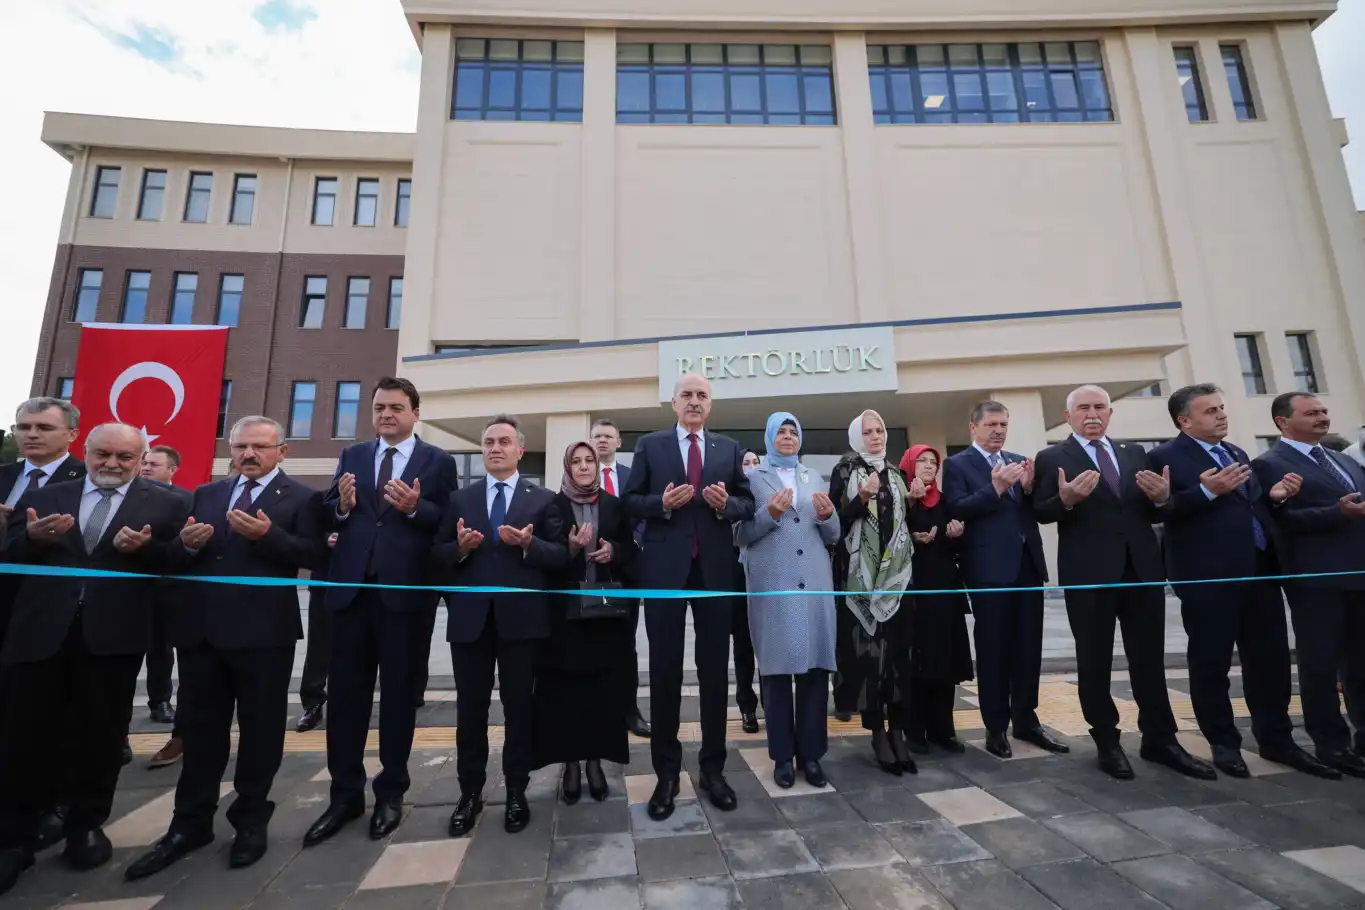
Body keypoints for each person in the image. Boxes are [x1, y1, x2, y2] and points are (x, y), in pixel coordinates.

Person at [124, 417, 326, 880]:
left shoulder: (302, 498)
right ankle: (189, 824)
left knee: (260, 733)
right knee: (200, 733)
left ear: (282, 452)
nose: (248, 454)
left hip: (264, 636)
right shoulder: (207, 494)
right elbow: (176, 558)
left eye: (259, 446)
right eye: (240, 447)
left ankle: (251, 820)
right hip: (202, 635)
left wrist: (267, 537)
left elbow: (317, 556)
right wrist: (184, 546)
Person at [0, 423, 190, 896]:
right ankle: (15, 837)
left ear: (140, 459)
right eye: (103, 454)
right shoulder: (47, 496)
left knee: (101, 736)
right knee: (24, 736)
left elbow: (178, 565)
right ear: (85, 451)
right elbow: (10, 556)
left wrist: (148, 549)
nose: (112, 464)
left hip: (114, 639)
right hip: (40, 634)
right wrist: (32, 539)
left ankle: (85, 824)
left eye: (125, 457)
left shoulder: (169, 504)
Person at [1148, 386, 1335, 779]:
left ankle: (1277, 739)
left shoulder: (1235, 452)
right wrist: (1206, 491)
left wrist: (1277, 497)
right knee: (1211, 663)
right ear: (1185, 421)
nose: (1221, 414)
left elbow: (1250, 507)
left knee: (1270, 661)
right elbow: (1165, 511)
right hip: (1208, 577)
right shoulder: (1164, 457)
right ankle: (1224, 742)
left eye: (1221, 407)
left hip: (1259, 572)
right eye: (1210, 410)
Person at [304, 377, 459, 847]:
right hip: (351, 595)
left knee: (397, 699)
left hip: (404, 598)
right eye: (379, 408)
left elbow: (447, 522)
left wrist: (414, 508)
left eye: (395, 407)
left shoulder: (438, 461)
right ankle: (344, 795)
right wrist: (342, 505)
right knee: (345, 699)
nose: (386, 414)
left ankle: (391, 792)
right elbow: (330, 511)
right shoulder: (352, 455)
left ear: (415, 413)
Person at [1033, 385, 1214, 781]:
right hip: (1088, 574)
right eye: (1083, 407)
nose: (1092, 414)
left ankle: (1160, 739)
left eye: (1100, 406)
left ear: (1110, 413)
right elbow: (1041, 512)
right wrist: (1066, 500)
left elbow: (1152, 510)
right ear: (1068, 416)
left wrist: (1163, 498)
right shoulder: (1052, 458)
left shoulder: (1134, 453)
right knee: (1094, 660)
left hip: (1141, 570)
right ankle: (1107, 740)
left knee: (1149, 659)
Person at [621, 372, 755, 821]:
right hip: (664, 570)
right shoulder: (650, 445)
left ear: (710, 404)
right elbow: (629, 501)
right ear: (673, 403)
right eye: (687, 395)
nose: (694, 401)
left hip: (715, 570)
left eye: (702, 395)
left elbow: (747, 503)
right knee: (664, 672)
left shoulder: (727, 449)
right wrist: (661, 504)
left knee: (715, 672)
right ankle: (666, 774)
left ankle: (713, 770)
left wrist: (724, 505)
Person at [434, 415, 568, 836]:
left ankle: (515, 791)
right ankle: (469, 793)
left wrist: (529, 544)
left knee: (519, 709)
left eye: (504, 441)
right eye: (489, 441)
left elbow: (561, 556)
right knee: (470, 711)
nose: (495, 448)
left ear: (519, 450)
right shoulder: (460, 499)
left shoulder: (543, 499)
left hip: (522, 623)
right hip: (470, 623)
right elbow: (435, 555)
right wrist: (459, 548)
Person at [1251, 392, 1365, 777]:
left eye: (1323, 411)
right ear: (1283, 422)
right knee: (1320, 665)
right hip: (1315, 579)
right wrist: (1337, 512)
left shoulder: (1343, 460)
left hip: (1358, 574)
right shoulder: (1269, 465)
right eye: (1311, 413)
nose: (1322, 417)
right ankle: (1332, 745)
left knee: (1360, 663)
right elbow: (1279, 521)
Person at [942, 402, 1063, 760]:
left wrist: (1029, 488)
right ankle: (995, 726)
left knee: (1028, 647)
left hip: (1027, 566)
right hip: (988, 570)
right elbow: (956, 508)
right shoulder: (958, 464)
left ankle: (1026, 720)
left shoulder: (1018, 460)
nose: (998, 430)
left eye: (1003, 424)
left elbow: (1034, 512)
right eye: (991, 424)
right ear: (973, 427)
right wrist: (994, 488)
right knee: (994, 648)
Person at [0, 398, 87, 849]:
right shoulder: (5, 477)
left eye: (44, 428)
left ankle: (51, 802)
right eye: (24, 426)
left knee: (50, 716)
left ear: (72, 434)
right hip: (7, 611)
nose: (31, 434)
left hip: (52, 617)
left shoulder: (88, 480)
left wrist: (30, 538)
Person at [735, 414, 839, 789]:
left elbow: (833, 534)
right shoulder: (752, 479)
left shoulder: (813, 478)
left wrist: (829, 517)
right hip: (773, 585)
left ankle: (811, 755)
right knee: (777, 673)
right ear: (768, 437)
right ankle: (782, 756)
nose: (788, 437)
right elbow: (739, 534)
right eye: (781, 431)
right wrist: (771, 513)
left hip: (814, 584)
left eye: (794, 431)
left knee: (814, 673)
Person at [532, 441, 638, 804]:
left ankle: (595, 763)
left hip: (604, 615)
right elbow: (543, 557)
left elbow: (631, 549)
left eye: (588, 460)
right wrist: (572, 549)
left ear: (597, 465)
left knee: (601, 692)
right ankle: (572, 766)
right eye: (575, 461)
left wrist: (614, 551)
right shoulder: (552, 506)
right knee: (567, 694)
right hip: (564, 619)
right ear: (567, 468)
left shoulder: (614, 505)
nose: (583, 466)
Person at [829, 409, 916, 775]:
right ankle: (877, 732)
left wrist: (916, 505)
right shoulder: (845, 471)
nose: (876, 436)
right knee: (869, 658)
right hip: (860, 579)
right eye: (868, 432)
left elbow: (904, 523)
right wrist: (861, 498)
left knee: (898, 657)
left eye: (879, 430)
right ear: (856, 437)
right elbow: (833, 521)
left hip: (898, 579)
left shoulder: (897, 475)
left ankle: (898, 731)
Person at [900, 445, 973, 755]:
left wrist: (957, 536)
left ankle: (943, 730)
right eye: (922, 461)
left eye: (933, 462)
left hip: (945, 589)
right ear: (909, 466)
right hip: (913, 591)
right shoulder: (901, 499)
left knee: (945, 660)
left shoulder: (946, 502)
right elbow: (887, 536)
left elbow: (960, 547)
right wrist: (912, 535)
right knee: (917, 661)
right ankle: (914, 731)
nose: (929, 466)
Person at [591, 417, 650, 739]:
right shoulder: (581, 474)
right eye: (597, 436)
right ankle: (600, 710)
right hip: (593, 572)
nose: (602, 440)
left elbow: (643, 516)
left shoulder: (631, 476)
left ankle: (630, 711)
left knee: (626, 643)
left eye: (607, 436)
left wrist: (633, 544)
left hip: (628, 571)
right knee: (596, 641)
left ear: (618, 442)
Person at [138, 446, 193, 771]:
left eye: (153, 464)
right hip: (125, 590)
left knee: (160, 649)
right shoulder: (127, 496)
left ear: (171, 470)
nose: (146, 467)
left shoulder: (184, 500)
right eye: (144, 462)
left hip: (165, 588)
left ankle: (160, 701)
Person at [296, 524, 336, 734]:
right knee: (319, 643)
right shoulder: (322, 503)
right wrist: (324, 538)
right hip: (327, 576)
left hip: (370, 576)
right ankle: (313, 703)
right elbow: (307, 528)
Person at [732, 451, 761, 734]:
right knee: (743, 646)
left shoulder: (769, 493)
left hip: (766, 578)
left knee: (769, 646)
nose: (751, 467)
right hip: (738, 580)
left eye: (756, 462)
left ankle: (772, 704)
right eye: (746, 463)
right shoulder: (732, 497)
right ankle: (747, 707)